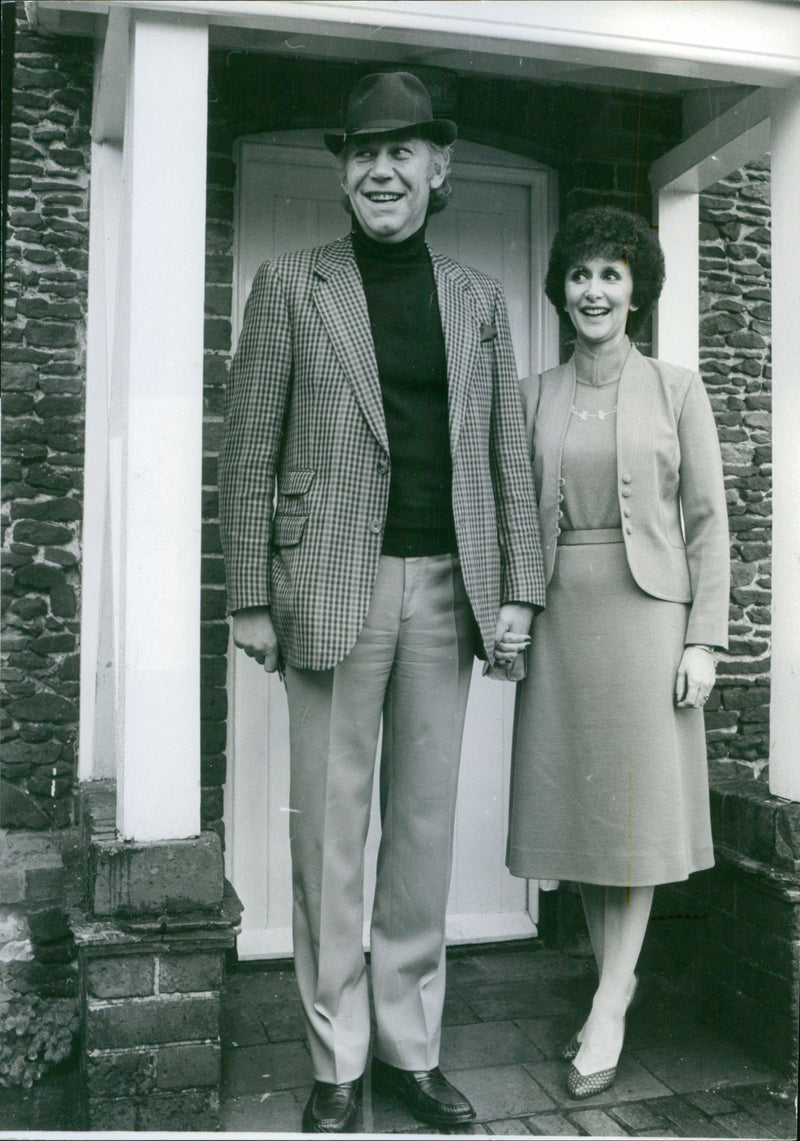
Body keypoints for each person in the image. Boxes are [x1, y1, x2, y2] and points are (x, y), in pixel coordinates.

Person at [219, 71, 544, 1133]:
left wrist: (517, 594)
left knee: (419, 830)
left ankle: (410, 1048)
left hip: (449, 591)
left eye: (402, 151)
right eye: (363, 152)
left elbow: (505, 451)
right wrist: (249, 598)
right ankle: (335, 1059)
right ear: (344, 169)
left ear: (438, 168)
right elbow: (245, 452)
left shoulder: (473, 300)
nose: (380, 169)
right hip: (327, 591)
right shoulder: (289, 286)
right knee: (330, 836)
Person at [500, 206, 730, 1099]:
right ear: (561, 289)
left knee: (633, 821)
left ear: (638, 290)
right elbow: (517, 520)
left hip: (648, 623)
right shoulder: (532, 394)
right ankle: (614, 983)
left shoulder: (677, 389)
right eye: (581, 274)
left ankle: (609, 1003)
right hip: (562, 622)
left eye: (612, 274)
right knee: (587, 826)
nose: (595, 290)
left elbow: (710, 523)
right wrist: (513, 615)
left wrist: (704, 637)